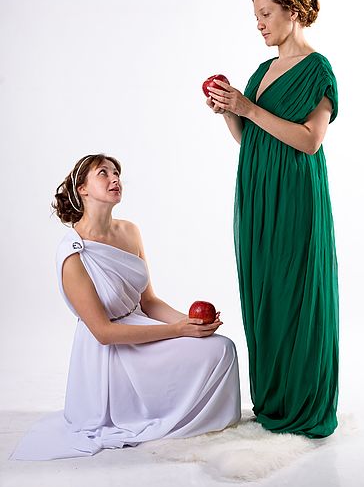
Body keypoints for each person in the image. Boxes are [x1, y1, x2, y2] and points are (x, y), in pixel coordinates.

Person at [10, 154, 241, 460]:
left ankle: (198, 417)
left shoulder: (130, 231)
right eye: (103, 173)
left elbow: (150, 302)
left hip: (141, 326)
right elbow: (104, 333)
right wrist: (176, 331)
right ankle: (156, 412)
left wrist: (191, 323)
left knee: (221, 348)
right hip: (108, 351)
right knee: (211, 349)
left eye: (117, 173)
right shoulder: (72, 253)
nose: (115, 178)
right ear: (83, 189)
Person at [206, 0, 339, 438]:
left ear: (293, 13)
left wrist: (249, 108)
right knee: (264, 290)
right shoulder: (261, 72)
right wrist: (228, 110)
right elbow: (249, 139)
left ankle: (304, 401)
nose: (259, 25)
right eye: (256, 17)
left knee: (296, 287)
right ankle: (274, 398)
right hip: (257, 193)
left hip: (297, 196)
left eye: (265, 14)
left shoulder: (318, 69)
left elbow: (309, 140)